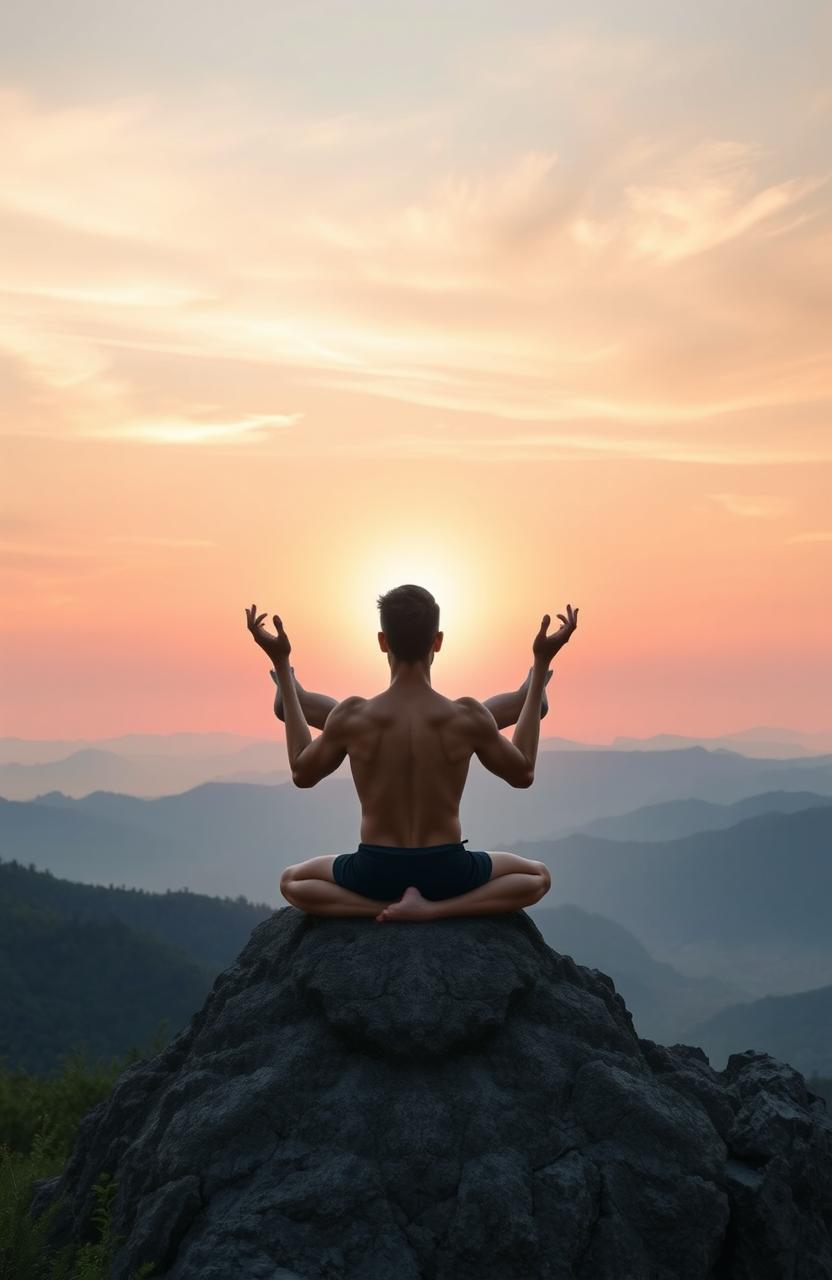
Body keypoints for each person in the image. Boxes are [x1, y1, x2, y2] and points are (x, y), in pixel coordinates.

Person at [244, 585, 579, 923]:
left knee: (292, 880)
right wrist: (541, 662)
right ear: (438, 641)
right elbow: (523, 773)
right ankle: (432, 911)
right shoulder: (466, 716)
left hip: (376, 870)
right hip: (446, 870)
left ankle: (381, 910)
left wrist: (281, 661)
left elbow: (303, 772)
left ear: (382, 641)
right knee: (538, 876)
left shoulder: (353, 716)